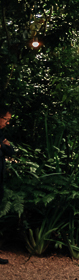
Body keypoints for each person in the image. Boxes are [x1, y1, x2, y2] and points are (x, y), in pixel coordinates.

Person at [1, 111, 14, 265]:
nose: (7, 123)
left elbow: (10, 151)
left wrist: (2, 146)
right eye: (6, 119)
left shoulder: (1, 133)